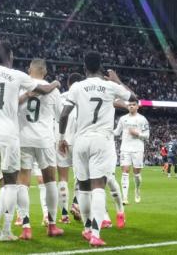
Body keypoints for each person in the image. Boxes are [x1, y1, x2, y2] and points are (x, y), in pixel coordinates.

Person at [0, 41, 60, 244]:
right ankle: (5, 231)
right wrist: (56, 83)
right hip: (9, 137)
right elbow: (45, 88)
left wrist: (22, 97)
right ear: (10, 56)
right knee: (12, 184)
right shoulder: (17, 75)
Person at [58, 51, 135, 247]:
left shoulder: (77, 87)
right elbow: (133, 97)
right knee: (99, 186)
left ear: (84, 67)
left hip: (80, 141)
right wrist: (117, 80)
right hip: (101, 140)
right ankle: (95, 233)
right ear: (100, 66)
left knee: (83, 187)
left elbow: (64, 114)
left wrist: (61, 138)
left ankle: (86, 228)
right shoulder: (109, 86)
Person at [15, 59, 64, 239]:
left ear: (29, 70)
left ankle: (26, 228)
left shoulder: (21, 86)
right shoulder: (54, 90)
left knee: (23, 182)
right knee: (50, 181)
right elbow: (60, 116)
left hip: (23, 139)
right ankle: (51, 225)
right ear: (45, 72)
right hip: (44, 140)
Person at [56, 73, 84, 224]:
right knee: (81, 176)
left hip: (62, 140)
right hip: (79, 140)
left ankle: (64, 215)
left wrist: (60, 138)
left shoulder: (60, 97)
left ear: (68, 83)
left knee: (63, 179)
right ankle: (76, 202)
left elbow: (58, 117)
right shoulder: (84, 96)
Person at [113, 100, 149, 204]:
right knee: (125, 172)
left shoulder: (142, 119)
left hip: (138, 148)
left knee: (137, 174)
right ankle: (124, 198)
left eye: (134, 105)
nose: (131, 106)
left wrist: (137, 134)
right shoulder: (123, 119)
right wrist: (107, 131)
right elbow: (117, 132)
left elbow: (147, 136)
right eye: (130, 105)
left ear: (137, 106)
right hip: (125, 148)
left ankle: (137, 190)